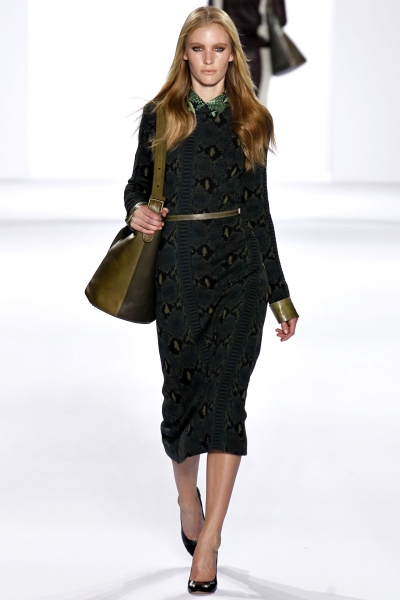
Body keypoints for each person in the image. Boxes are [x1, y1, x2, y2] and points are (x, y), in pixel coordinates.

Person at [124, 6, 298, 595]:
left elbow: (260, 211)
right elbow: (136, 184)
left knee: (226, 404)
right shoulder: (161, 114)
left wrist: (279, 296)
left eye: (218, 48)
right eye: (197, 48)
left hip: (240, 272)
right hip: (178, 269)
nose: (208, 59)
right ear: (184, 53)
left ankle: (212, 540)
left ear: (233, 55)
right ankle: (186, 498)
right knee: (181, 402)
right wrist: (137, 210)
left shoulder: (252, 118)